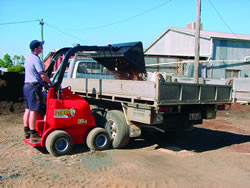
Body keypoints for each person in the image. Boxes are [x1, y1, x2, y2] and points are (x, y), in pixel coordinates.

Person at [23, 40, 52, 143]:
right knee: (34, 110)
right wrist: (51, 84)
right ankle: (33, 133)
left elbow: (33, 74)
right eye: (41, 46)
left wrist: (44, 84)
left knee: (27, 109)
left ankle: (26, 131)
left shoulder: (28, 58)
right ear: (36, 48)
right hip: (33, 87)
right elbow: (42, 75)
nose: (42, 48)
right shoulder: (36, 59)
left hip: (27, 86)